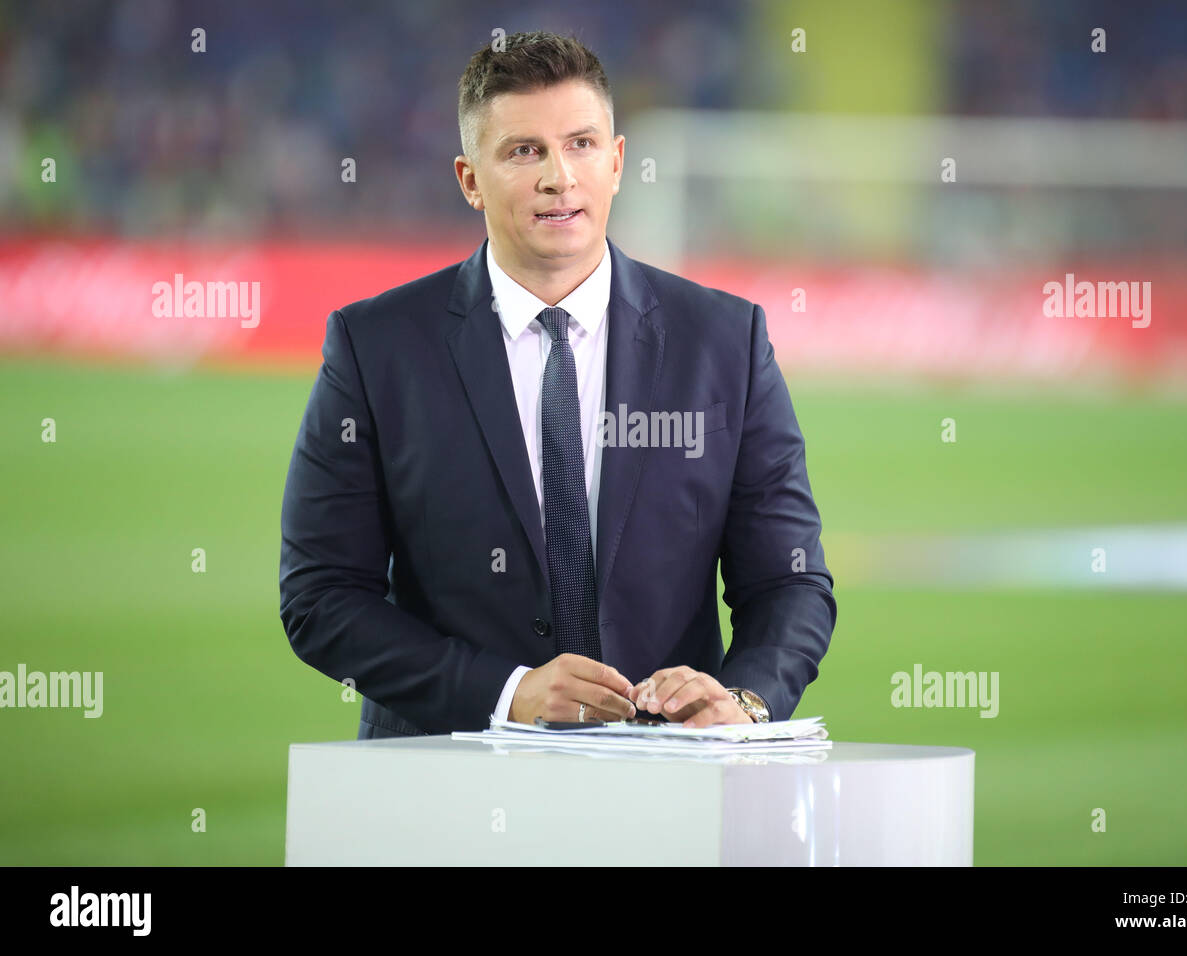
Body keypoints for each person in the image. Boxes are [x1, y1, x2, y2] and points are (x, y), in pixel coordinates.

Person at [278, 30, 836, 739]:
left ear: (617, 162)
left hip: (665, 788)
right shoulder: (376, 347)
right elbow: (320, 596)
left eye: (581, 144)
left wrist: (745, 700)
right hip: (445, 788)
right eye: (523, 151)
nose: (559, 177)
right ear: (470, 179)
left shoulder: (725, 342)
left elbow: (789, 582)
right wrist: (506, 692)